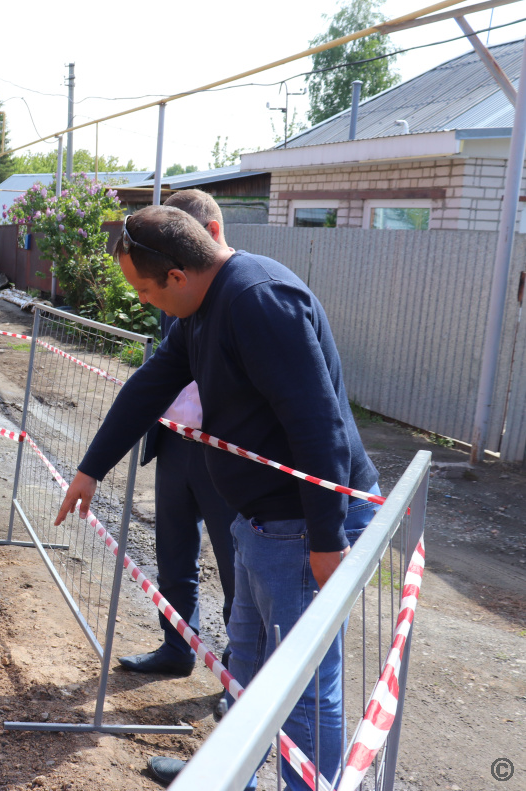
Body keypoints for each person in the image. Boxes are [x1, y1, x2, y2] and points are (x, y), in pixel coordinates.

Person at [55, 205, 380, 789]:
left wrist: (329, 539)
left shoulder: (258, 301)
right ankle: (233, 778)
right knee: (249, 670)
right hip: (260, 522)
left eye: (145, 289)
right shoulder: (205, 307)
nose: (144, 302)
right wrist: (91, 468)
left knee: (301, 687)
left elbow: (319, 425)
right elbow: (151, 383)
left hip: (303, 526)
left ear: (177, 275)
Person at [119, 190, 237, 686]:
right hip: (174, 442)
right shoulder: (174, 291)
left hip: (225, 454)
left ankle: (240, 678)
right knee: (172, 554)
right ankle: (176, 647)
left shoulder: (242, 297)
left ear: (206, 235)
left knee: (239, 572)